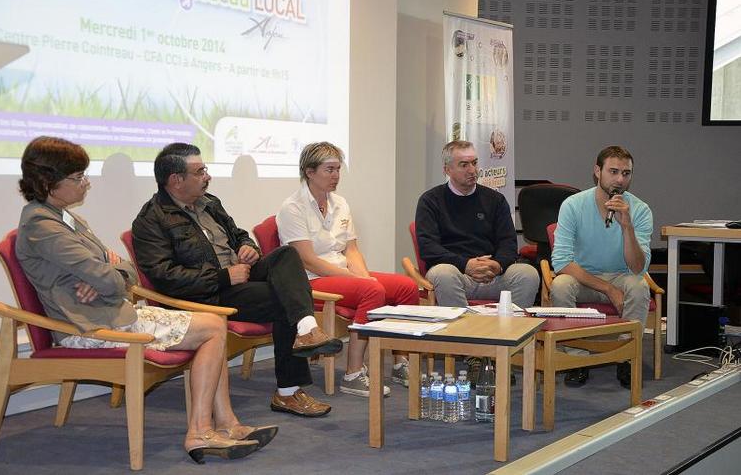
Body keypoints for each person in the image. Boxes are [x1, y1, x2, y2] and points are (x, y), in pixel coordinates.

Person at [15, 136, 277, 464]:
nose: (86, 183)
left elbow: (123, 271)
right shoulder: (43, 225)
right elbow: (110, 277)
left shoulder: (66, 218)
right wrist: (107, 275)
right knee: (213, 328)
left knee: (214, 323)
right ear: (48, 181)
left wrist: (109, 274)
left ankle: (226, 424)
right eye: (77, 177)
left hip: (110, 312)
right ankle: (200, 432)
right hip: (88, 328)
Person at [132, 143, 343, 418]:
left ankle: (307, 329)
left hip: (238, 277)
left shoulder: (210, 204)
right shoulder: (151, 220)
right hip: (205, 295)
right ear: (175, 180)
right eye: (200, 172)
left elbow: (239, 234)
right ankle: (289, 391)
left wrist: (249, 248)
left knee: (286, 255)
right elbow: (165, 277)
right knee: (284, 299)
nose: (207, 176)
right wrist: (223, 277)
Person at [276, 142, 420, 397]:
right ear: (309, 172)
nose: (336, 176)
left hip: (342, 274)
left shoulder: (340, 203)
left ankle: (400, 361)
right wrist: (360, 281)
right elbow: (308, 260)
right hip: (311, 280)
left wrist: (362, 276)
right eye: (329, 170)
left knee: (406, 287)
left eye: (338, 169)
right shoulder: (292, 207)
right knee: (371, 291)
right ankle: (353, 374)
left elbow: (351, 250)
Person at [550, 145, 653, 389]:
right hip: (584, 277)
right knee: (560, 285)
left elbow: (638, 267)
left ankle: (627, 358)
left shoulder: (639, 210)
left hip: (623, 275)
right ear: (598, 171)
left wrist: (627, 226)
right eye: (613, 171)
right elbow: (562, 262)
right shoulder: (573, 205)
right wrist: (607, 288)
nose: (620, 179)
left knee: (638, 286)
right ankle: (575, 360)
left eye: (626, 174)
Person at [415, 140, 539, 310]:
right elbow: (428, 248)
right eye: (464, 165)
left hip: (493, 275)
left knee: (528, 274)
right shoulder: (430, 201)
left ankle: (510, 331)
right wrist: (466, 264)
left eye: (474, 163)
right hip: (457, 274)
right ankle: (463, 333)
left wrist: (497, 265)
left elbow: (508, 243)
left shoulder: (495, 200)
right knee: (443, 274)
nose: (472, 170)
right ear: (447, 169)